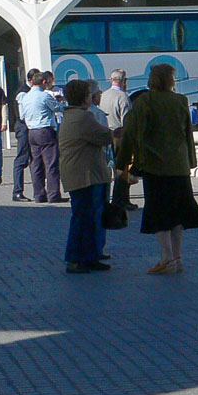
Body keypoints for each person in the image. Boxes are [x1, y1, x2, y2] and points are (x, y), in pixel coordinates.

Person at [118, 62, 198, 275]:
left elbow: (129, 134)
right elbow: (188, 134)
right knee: (178, 213)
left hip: (154, 166)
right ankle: (177, 257)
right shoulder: (180, 101)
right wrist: (190, 161)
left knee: (159, 212)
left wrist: (122, 164)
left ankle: (166, 257)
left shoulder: (144, 101)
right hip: (179, 166)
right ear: (170, 80)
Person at [58, 78, 115, 274]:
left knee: (86, 217)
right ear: (85, 97)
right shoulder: (83, 117)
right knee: (84, 218)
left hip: (79, 173)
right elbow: (106, 136)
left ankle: (88, 257)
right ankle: (75, 259)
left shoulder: (70, 115)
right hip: (85, 175)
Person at [19, 70, 64, 202]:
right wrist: (61, 103)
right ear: (43, 82)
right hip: (45, 130)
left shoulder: (25, 97)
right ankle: (53, 194)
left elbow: (22, 115)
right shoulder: (44, 96)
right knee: (51, 163)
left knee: (36, 164)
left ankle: (39, 195)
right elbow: (58, 108)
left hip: (31, 132)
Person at [97, 68, 133, 209]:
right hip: (120, 135)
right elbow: (127, 120)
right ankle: (122, 200)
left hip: (106, 133)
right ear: (124, 81)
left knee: (109, 168)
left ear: (111, 80)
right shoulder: (123, 97)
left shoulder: (104, 95)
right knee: (122, 169)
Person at [9, 70, 38, 201]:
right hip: (24, 128)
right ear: (31, 80)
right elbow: (21, 115)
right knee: (22, 158)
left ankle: (39, 191)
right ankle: (17, 191)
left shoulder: (30, 91)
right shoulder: (23, 92)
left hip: (30, 127)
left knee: (35, 159)